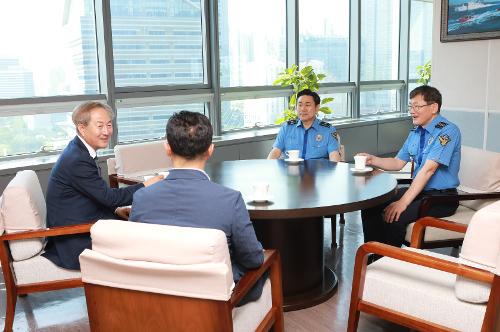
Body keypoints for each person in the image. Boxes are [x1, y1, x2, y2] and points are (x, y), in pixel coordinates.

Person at [129, 111, 265, 305]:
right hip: (214, 301)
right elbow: (253, 259)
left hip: (159, 296)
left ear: (167, 148)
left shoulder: (142, 198)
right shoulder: (229, 200)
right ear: (210, 150)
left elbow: (136, 253)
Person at [43, 101, 162, 270]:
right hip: (75, 240)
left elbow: (94, 195)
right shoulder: (77, 159)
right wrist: (146, 185)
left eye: (109, 125)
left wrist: (115, 211)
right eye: (100, 126)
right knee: (149, 240)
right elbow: (109, 197)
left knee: (143, 225)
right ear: (82, 128)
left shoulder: (79, 150)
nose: (106, 131)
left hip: (85, 224)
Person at [359, 85, 461, 250]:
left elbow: (429, 170)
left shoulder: (447, 132)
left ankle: (388, 263)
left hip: (441, 199)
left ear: (434, 107)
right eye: (410, 106)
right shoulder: (415, 132)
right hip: (419, 193)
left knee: (395, 216)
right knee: (370, 206)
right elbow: (397, 163)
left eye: (417, 106)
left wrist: (403, 202)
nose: (412, 111)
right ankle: (372, 254)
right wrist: (372, 160)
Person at [267, 89, 341, 162]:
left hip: (318, 172)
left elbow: (334, 156)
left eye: (307, 105)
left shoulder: (328, 130)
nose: (303, 109)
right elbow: (275, 151)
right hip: (291, 172)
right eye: (300, 105)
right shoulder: (287, 127)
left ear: (317, 108)